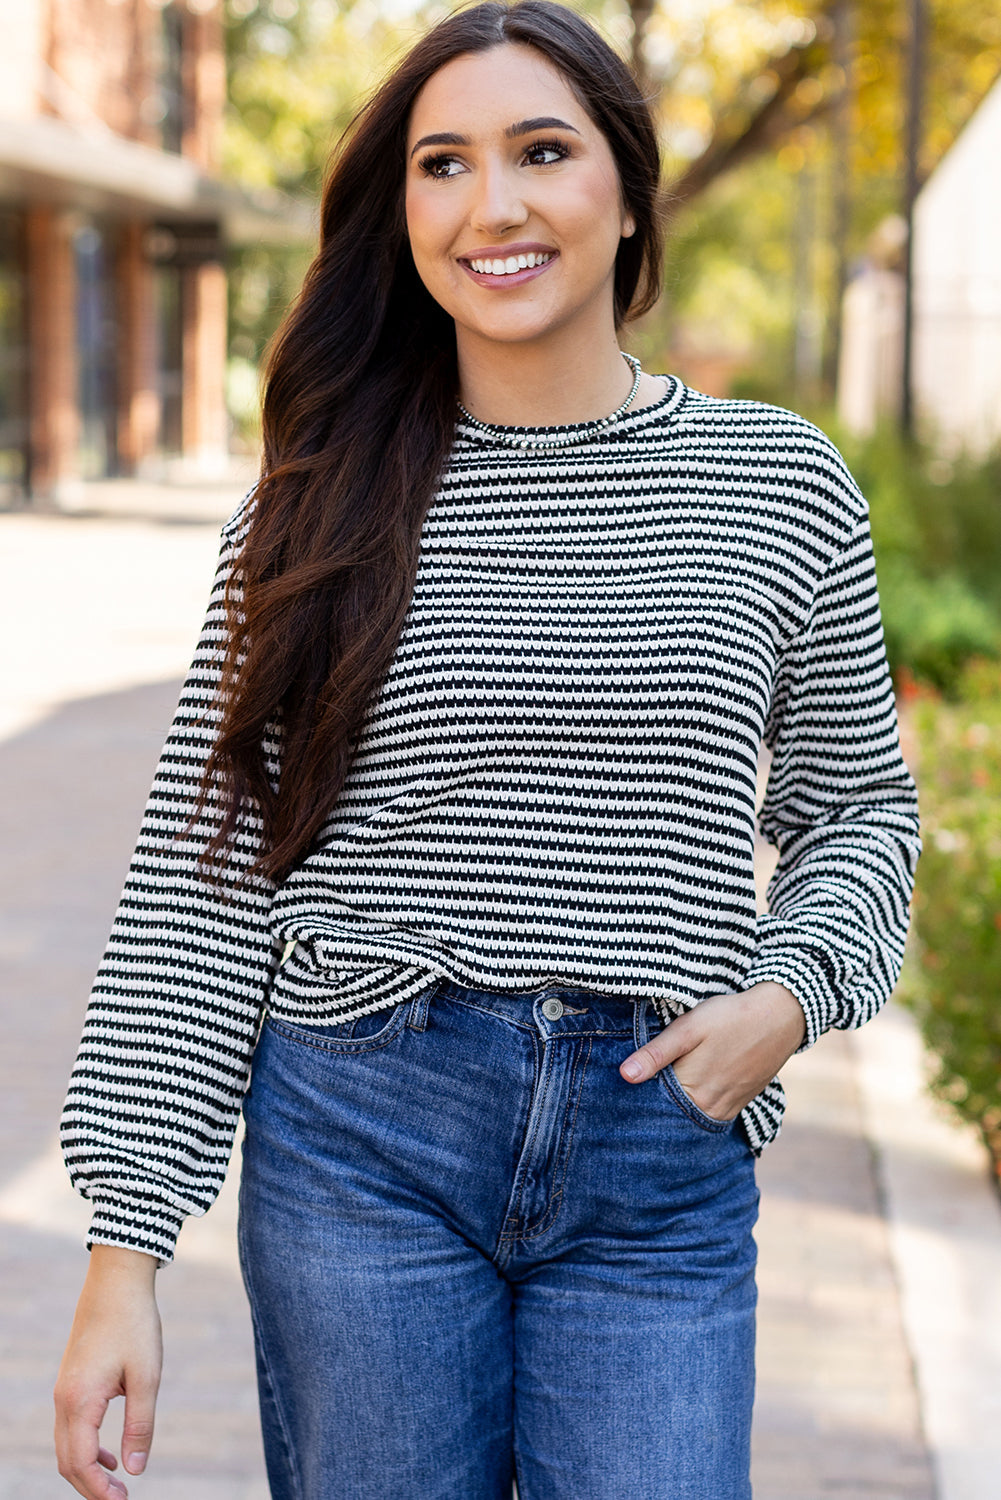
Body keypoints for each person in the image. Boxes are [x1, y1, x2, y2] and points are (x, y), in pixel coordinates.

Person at [53, 3, 921, 1497]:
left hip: (659, 1145)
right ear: (403, 213)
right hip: (362, 1132)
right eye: (442, 164)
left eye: (541, 151)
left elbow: (857, 812)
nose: (493, 204)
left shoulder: (774, 482)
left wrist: (789, 993)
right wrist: (124, 1254)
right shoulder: (311, 507)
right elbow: (207, 874)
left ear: (626, 188)